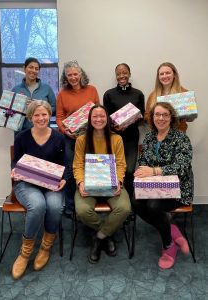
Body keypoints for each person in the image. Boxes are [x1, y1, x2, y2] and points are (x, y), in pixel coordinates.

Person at [132, 102, 193, 269]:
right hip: (153, 187)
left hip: (179, 190)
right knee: (135, 202)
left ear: (171, 117)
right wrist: (141, 171)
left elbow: (182, 166)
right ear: (152, 118)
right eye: (157, 114)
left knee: (153, 206)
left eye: (165, 114)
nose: (160, 118)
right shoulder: (150, 137)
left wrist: (154, 171)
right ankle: (172, 229)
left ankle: (168, 246)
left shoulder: (181, 138)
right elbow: (144, 161)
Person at [11, 100, 66, 280]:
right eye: (36, 115)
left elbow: (65, 164)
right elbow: (16, 162)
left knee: (55, 206)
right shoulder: (21, 137)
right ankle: (25, 253)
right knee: (38, 205)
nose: (41, 118)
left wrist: (64, 179)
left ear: (48, 114)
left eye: (44, 114)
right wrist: (14, 170)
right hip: (27, 184)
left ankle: (45, 246)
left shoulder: (58, 137)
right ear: (30, 117)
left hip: (51, 184)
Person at [73, 104, 131, 264]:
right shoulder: (81, 140)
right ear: (90, 120)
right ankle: (107, 233)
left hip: (112, 184)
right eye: (95, 117)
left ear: (107, 119)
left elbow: (121, 164)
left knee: (125, 208)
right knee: (83, 211)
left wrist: (119, 181)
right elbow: (78, 164)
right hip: (88, 185)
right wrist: (80, 183)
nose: (98, 119)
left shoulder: (116, 139)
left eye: (102, 116)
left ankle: (99, 237)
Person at [56, 61, 100, 215]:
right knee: (69, 170)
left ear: (81, 74)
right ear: (65, 77)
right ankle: (70, 206)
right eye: (69, 75)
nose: (73, 77)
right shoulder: (62, 94)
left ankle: (90, 201)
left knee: (91, 168)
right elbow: (59, 117)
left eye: (76, 74)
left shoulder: (92, 90)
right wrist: (65, 130)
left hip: (90, 137)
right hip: (70, 138)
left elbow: (98, 113)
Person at [103, 63, 145, 198]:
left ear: (129, 74)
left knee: (130, 170)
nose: (122, 76)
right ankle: (116, 199)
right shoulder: (108, 94)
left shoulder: (138, 94)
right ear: (116, 76)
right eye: (119, 73)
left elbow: (142, 116)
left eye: (124, 72)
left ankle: (129, 204)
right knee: (114, 169)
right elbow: (105, 118)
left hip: (132, 138)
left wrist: (130, 121)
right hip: (114, 137)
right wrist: (115, 125)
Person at [12, 57, 56, 134]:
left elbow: (55, 109)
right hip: (22, 133)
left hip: (43, 133)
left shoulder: (47, 88)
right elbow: (9, 112)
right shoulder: (16, 89)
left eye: (36, 69)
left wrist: (40, 107)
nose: (33, 70)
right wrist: (23, 108)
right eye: (31, 67)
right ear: (24, 68)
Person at [145, 62, 188, 132]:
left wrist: (185, 115)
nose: (164, 76)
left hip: (178, 134)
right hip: (158, 134)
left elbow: (191, 117)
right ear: (158, 77)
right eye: (161, 74)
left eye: (168, 73)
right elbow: (146, 116)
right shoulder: (153, 95)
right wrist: (156, 117)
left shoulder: (184, 94)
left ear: (174, 75)